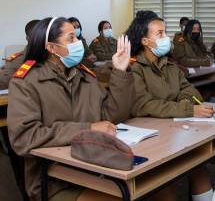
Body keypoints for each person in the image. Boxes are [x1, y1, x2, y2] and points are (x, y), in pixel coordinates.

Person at [7, 17, 136, 201]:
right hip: (54, 180)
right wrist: (88, 129)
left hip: (96, 166)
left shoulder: (85, 77)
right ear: (51, 47)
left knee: (145, 188)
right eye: (71, 39)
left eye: (77, 37)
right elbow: (24, 138)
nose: (79, 43)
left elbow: (112, 116)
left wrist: (120, 71)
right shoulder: (26, 82)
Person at [127, 11, 215, 201]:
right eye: (159, 34)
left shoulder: (169, 66)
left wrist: (182, 103)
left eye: (165, 32)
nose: (166, 37)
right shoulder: (134, 68)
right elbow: (143, 106)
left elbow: (192, 93)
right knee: (170, 187)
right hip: (152, 137)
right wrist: (187, 108)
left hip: (174, 129)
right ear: (145, 41)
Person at [0, 19, 39, 89]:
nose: (40, 39)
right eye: (36, 36)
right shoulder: (21, 59)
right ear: (28, 38)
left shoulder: (54, 55)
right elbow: (4, 81)